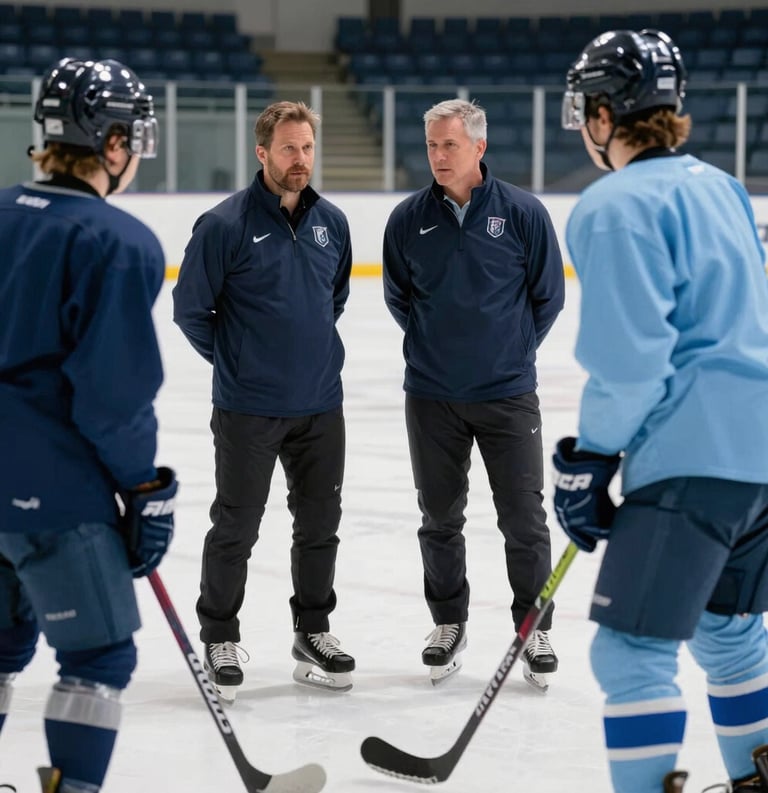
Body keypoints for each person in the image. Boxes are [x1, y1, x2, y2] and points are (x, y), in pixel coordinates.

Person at [553, 28, 768, 793]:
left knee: (630, 652)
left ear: (608, 113)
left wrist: (587, 458)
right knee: (730, 632)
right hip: (758, 464)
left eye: (588, 108)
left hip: (691, 459)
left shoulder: (612, 206)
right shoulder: (722, 186)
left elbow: (631, 362)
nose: (583, 123)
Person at [0, 58, 177, 793]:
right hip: (54, 492)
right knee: (98, 657)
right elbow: (113, 395)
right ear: (109, 143)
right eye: (131, 137)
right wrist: (144, 487)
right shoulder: (117, 240)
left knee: (4, 640)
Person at [172, 100, 354, 699]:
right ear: (261, 152)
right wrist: (239, 363)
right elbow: (192, 311)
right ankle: (219, 635)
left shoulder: (333, 222)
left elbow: (335, 299)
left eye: (306, 148)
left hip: (320, 405)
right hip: (248, 408)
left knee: (320, 525)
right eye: (287, 149)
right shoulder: (223, 225)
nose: (299, 160)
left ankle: (312, 631)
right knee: (236, 526)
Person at [383, 98, 565, 688]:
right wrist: (440, 350)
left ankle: (533, 625)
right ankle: (448, 622)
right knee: (439, 518)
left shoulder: (522, 214)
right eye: (432, 145)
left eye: (450, 145)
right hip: (432, 396)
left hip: (508, 395)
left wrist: (509, 353)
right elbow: (399, 299)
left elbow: (547, 298)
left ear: (479, 148)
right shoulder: (408, 219)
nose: (438, 156)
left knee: (524, 520)